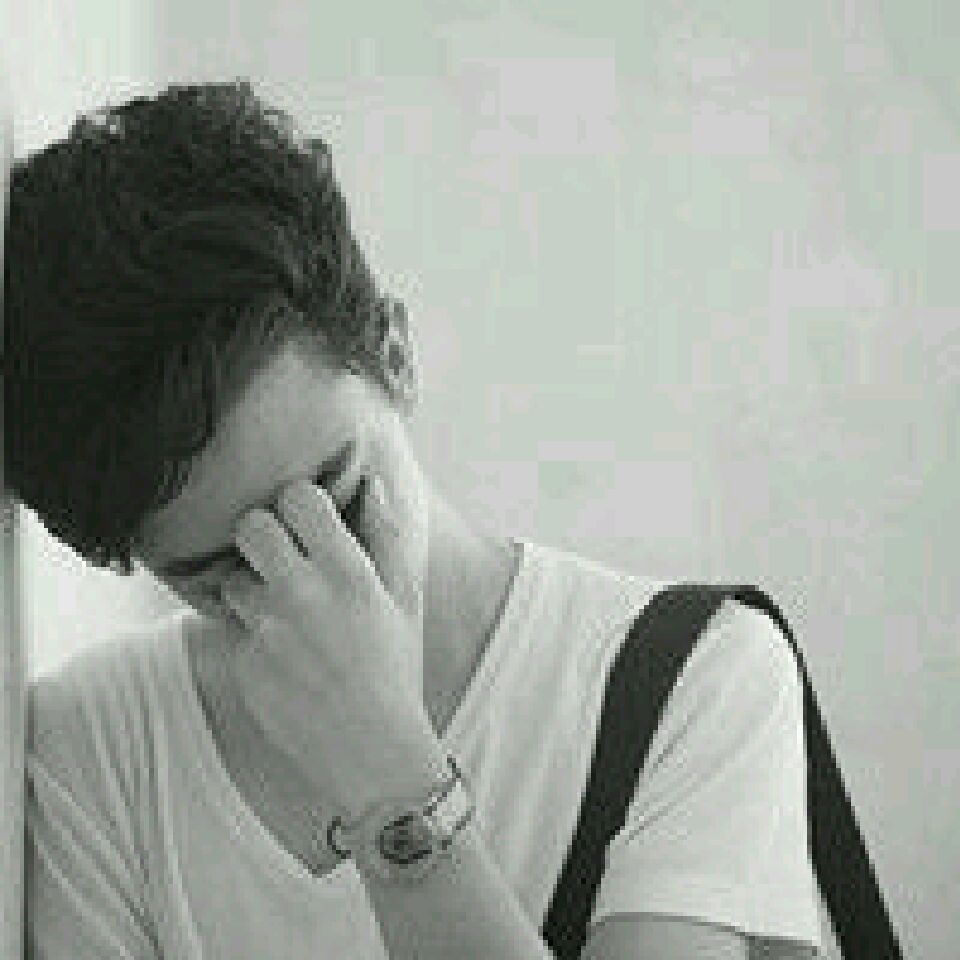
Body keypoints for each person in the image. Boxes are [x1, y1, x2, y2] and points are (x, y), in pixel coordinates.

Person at [5, 80, 824, 959]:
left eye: (334, 501)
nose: (302, 586)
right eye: (221, 574)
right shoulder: (91, 751)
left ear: (394, 354)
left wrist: (388, 777)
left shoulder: (697, 677)